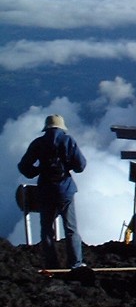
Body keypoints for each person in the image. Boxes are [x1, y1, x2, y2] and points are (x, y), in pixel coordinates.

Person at [18, 114, 88, 270]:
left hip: (45, 190)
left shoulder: (38, 143)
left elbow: (23, 166)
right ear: (61, 127)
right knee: (71, 229)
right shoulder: (68, 140)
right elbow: (81, 165)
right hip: (65, 190)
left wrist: (37, 171)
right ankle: (75, 263)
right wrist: (68, 167)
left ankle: (51, 265)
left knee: (47, 229)